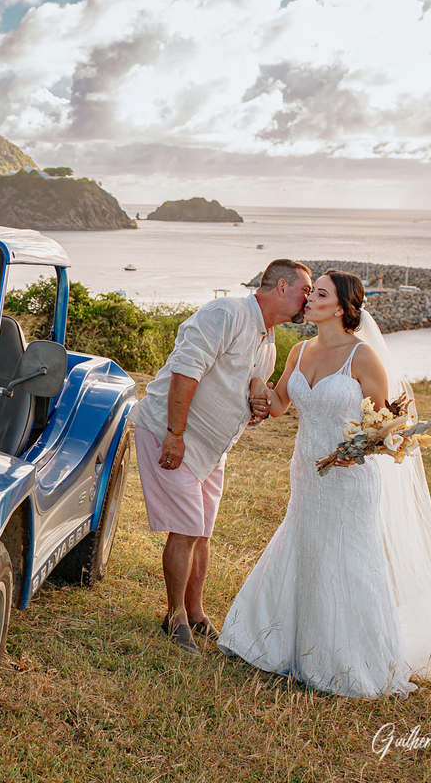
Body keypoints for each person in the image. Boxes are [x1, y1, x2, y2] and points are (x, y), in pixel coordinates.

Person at [218, 270, 431, 697]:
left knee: (346, 557)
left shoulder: (362, 358)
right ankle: (287, 644)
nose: (308, 299)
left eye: (318, 294)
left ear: (340, 307)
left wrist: (355, 449)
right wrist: (255, 387)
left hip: (350, 478)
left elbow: (389, 426)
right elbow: (281, 403)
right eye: (310, 292)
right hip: (306, 471)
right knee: (303, 545)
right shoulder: (298, 352)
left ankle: (349, 658)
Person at [128, 259, 312, 655]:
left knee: (204, 532)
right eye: (305, 291)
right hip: (171, 433)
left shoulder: (268, 341)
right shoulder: (225, 313)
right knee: (188, 527)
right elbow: (185, 372)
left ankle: (195, 613)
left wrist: (257, 406)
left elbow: (248, 393)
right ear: (282, 287)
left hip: (213, 450)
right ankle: (173, 616)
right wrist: (174, 435)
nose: (307, 299)